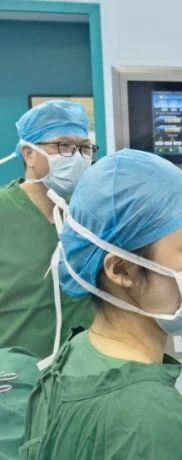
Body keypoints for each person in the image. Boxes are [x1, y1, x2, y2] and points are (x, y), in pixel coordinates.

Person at [20, 149, 182, 459]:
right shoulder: (150, 418)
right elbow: (146, 433)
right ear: (122, 270)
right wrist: (178, 437)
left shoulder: (77, 356)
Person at [0, 101, 96, 359]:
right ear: (29, 154)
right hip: (16, 374)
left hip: (81, 369)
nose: (76, 156)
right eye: (63, 145)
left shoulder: (88, 213)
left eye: (84, 148)